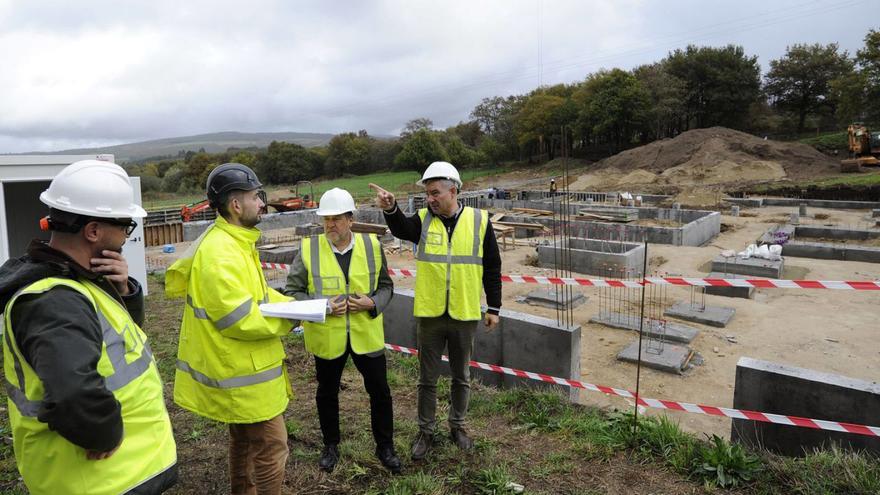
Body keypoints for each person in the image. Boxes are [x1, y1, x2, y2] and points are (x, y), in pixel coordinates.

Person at [0, 160, 177, 495]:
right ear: (93, 231)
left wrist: (123, 291)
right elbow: (73, 392)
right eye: (125, 227)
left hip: (123, 474)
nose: (127, 236)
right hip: (102, 481)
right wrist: (104, 432)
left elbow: (117, 344)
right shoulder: (54, 301)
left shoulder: (78, 281)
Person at [166, 163, 295, 495]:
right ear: (236, 205)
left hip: (241, 367)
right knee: (271, 447)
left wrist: (296, 304)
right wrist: (293, 318)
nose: (262, 203)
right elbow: (239, 318)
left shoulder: (234, 241)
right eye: (256, 196)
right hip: (244, 371)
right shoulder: (222, 253)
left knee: (244, 439)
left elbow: (259, 296)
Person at [369, 161, 502, 461]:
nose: (430, 199)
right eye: (427, 194)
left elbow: (493, 266)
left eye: (435, 193)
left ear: (453, 191)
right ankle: (426, 431)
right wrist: (391, 208)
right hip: (430, 314)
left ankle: (458, 426)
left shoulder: (480, 221)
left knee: (461, 376)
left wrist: (494, 306)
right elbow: (401, 228)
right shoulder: (422, 220)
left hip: (464, 313)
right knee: (427, 379)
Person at [283, 187, 401, 474]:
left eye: (336, 219)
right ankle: (330, 445)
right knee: (326, 392)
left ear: (350, 219)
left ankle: (385, 446)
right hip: (328, 337)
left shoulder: (373, 246)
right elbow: (293, 292)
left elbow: (386, 287)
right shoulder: (309, 249)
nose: (330, 225)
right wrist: (322, 307)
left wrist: (372, 302)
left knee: (380, 392)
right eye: (326, 219)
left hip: (366, 334)